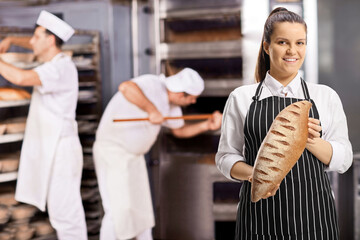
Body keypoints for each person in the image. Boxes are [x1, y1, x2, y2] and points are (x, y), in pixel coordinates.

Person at [215, 7, 353, 239]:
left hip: (314, 219)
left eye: (300, 43)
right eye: (282, 42)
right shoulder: (242, 97)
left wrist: (308, 140)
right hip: (259, 220)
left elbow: (344, 159)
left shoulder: (325, 96)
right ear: (267, 47)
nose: (292, 51)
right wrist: (255, 175)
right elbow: (225, 158)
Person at [93, 67, 222, 240]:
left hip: (134, 159)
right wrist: (151, 110)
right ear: (180, 94)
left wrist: (206, 125)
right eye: (191, 98)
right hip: (114, 153)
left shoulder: (171, 106)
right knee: (118, 210)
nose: (192, 102)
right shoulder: (153, 84)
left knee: (142, 212)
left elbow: (180, 131)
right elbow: (126, 87)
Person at [0, 11, 87, 239]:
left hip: (61, 150)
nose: (30, 42)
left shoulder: (59, 68)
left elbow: (19, 78)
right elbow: (34, 44)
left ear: (50, 40)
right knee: (61, 212)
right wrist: (10, 40)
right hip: (55, 147)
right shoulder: (57, 60)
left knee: (66, 215)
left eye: (35, 37)